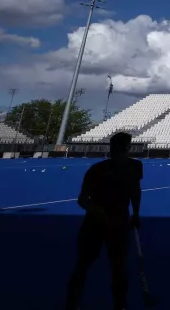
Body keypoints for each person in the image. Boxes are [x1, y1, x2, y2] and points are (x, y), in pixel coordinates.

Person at [65, 132, 143, 310]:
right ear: (128, 147)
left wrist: (135, 214)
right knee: (97, 265)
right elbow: (135, 193)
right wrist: (134, 214)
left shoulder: (128, 167)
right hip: (99, 223)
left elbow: (134, 192)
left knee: (110, 266)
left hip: (111, 222)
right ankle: (75, 303)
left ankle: (75, 304)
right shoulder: (102, 169)